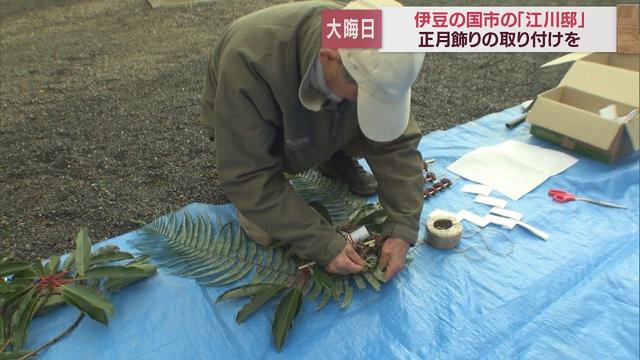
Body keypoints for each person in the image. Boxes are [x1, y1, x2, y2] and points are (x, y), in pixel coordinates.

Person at [201, 0, 425, 280]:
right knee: (267, 231)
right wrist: (321, 244)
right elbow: (247, 173)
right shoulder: (248, 61)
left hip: (321, 116)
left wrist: (402, 227)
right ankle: (316, 154)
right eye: (364, 97)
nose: (369, 103)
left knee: (368, 119)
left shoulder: (370, 50)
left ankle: (332, 156)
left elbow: (397, 144)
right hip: (252, 129)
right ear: (328, 59)